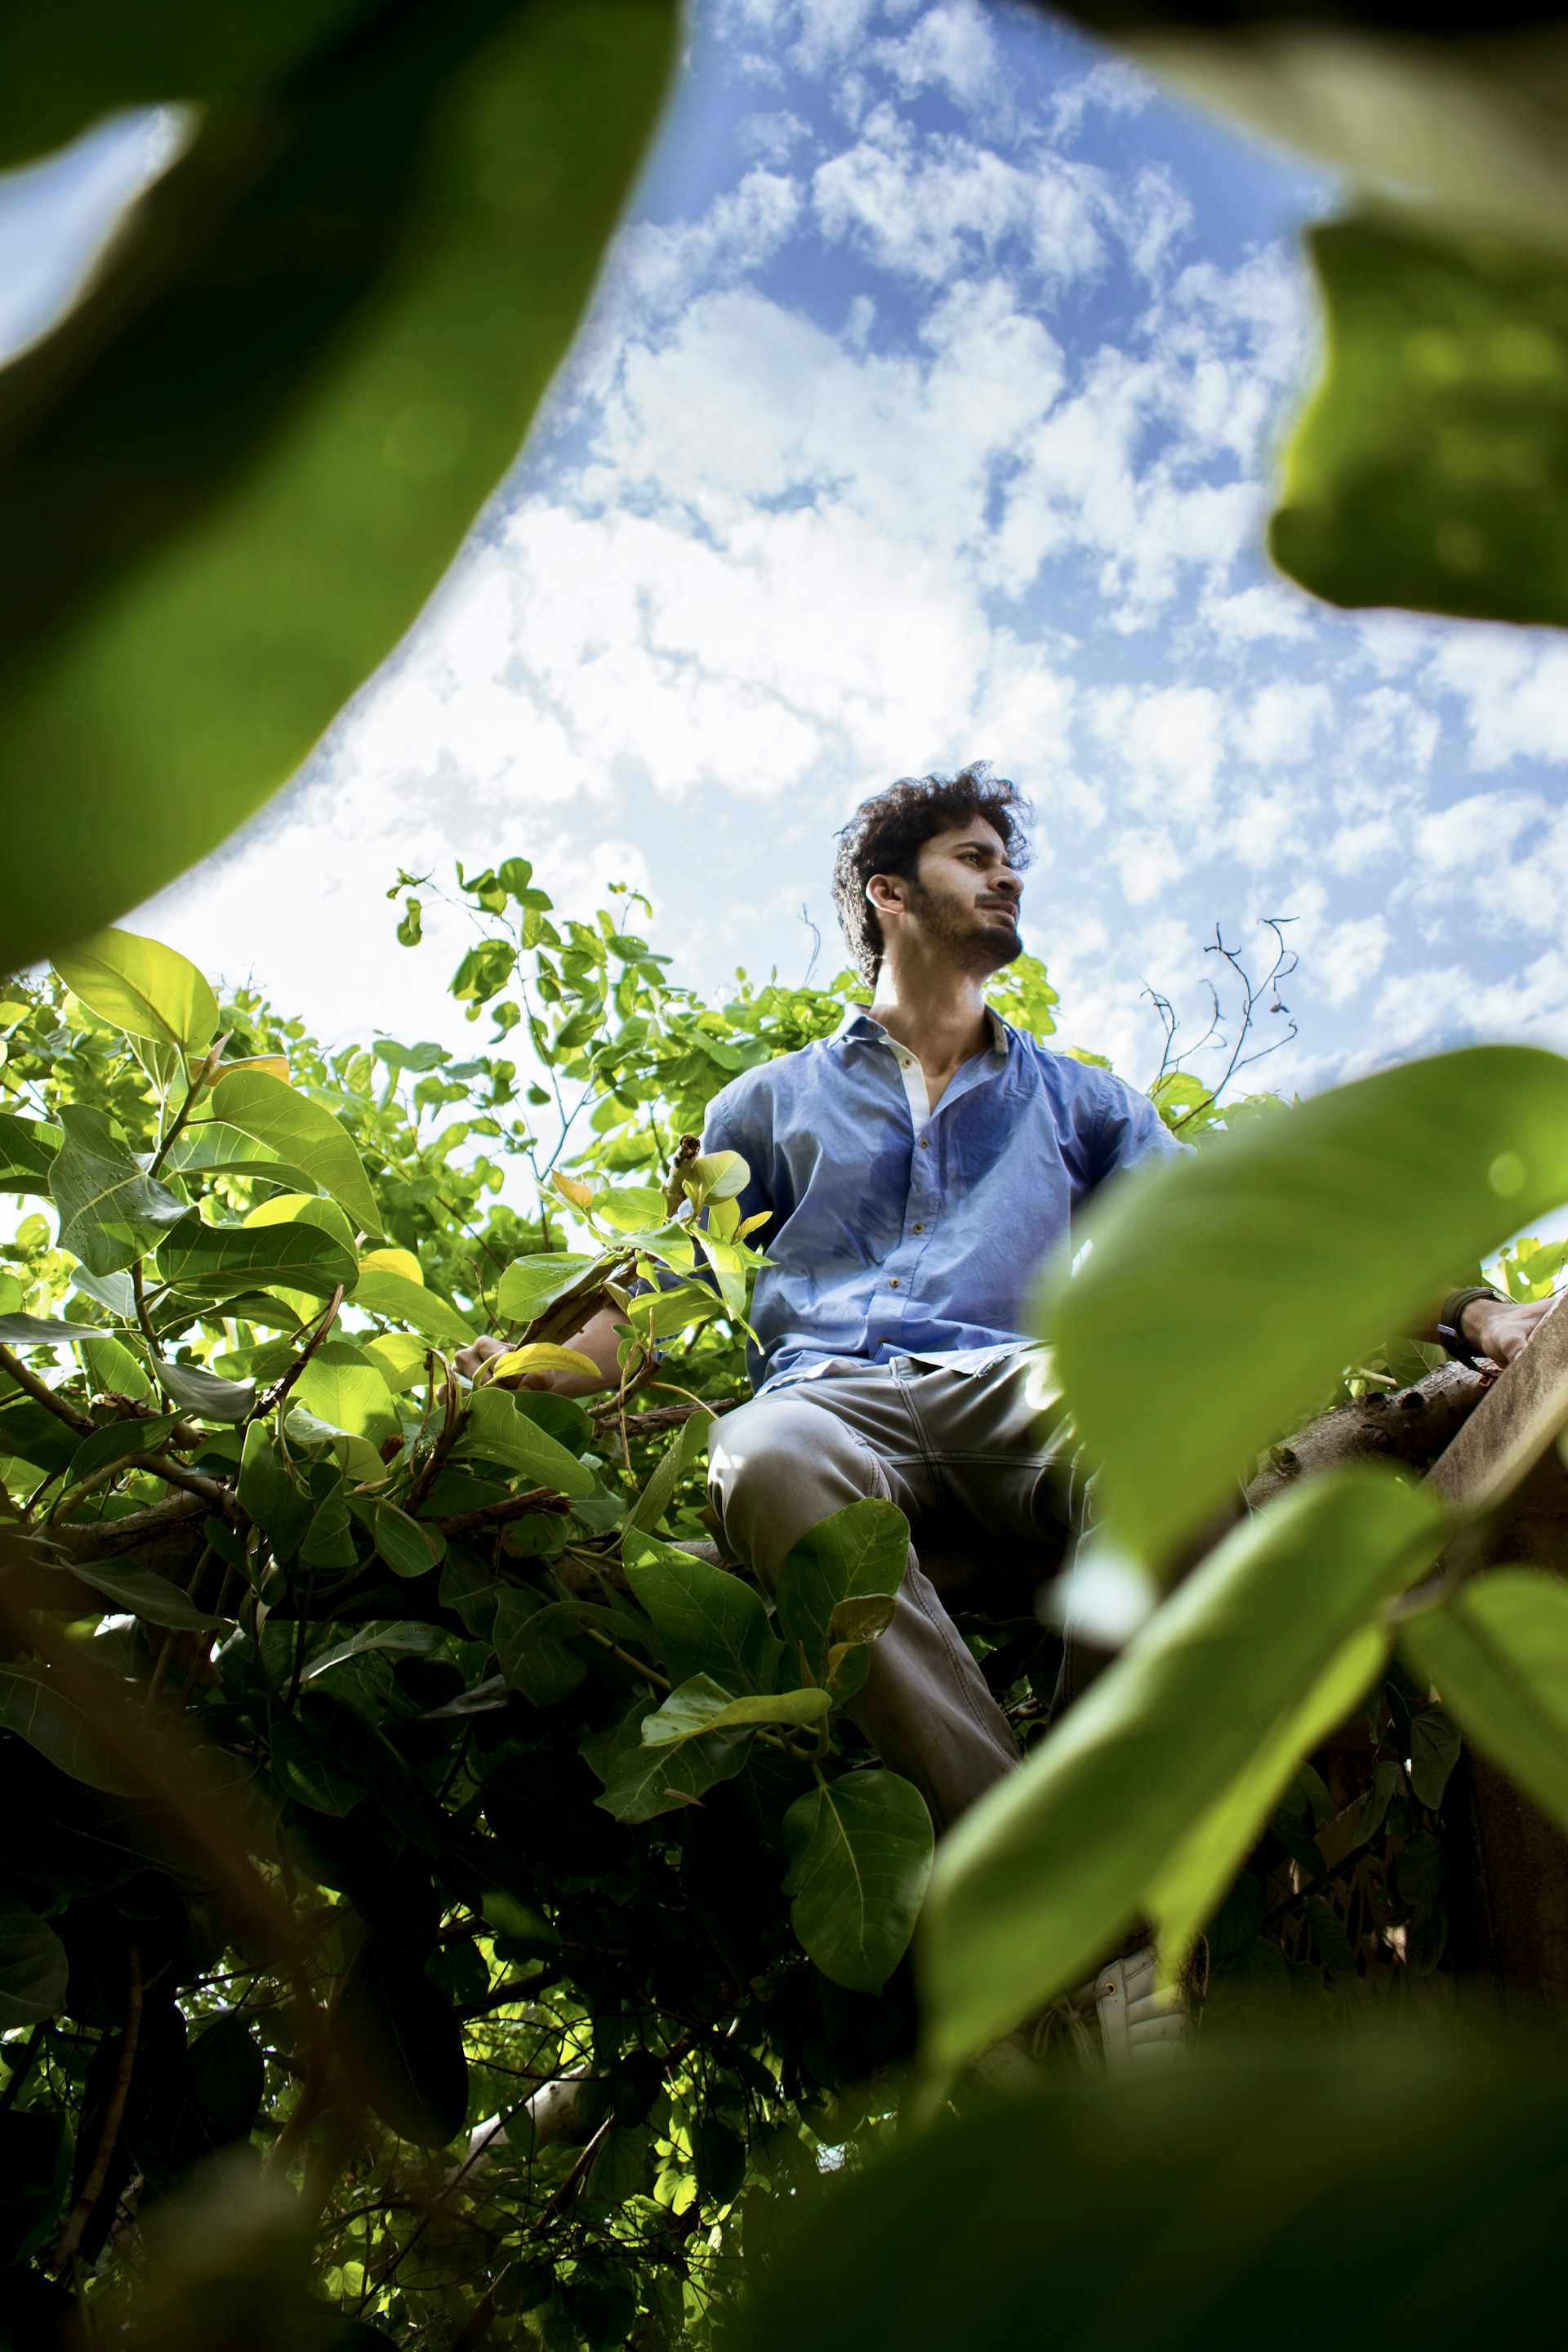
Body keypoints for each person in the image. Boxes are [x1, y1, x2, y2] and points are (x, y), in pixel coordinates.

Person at [457, 764, 1552, 1837]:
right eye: (974, 858)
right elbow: (658, 1287)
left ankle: (1070, 1862)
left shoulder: (1079, 1102)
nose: (1008, 879)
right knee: (760, 1453)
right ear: (889, 892)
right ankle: (1050, 1895)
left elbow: (1245, 1243)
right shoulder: (769, 1101)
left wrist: (1474, 1314)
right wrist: (505, 1381)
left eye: (1010, 862)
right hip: (824, 1405)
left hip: (1021, 1394)